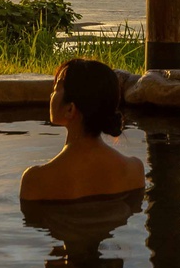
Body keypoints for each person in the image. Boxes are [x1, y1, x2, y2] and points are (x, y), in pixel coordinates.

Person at [18, 58, 144, 202]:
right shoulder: (134, 170)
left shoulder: (36, 180)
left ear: (70, 109)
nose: (51, 95)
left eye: (56, 89)